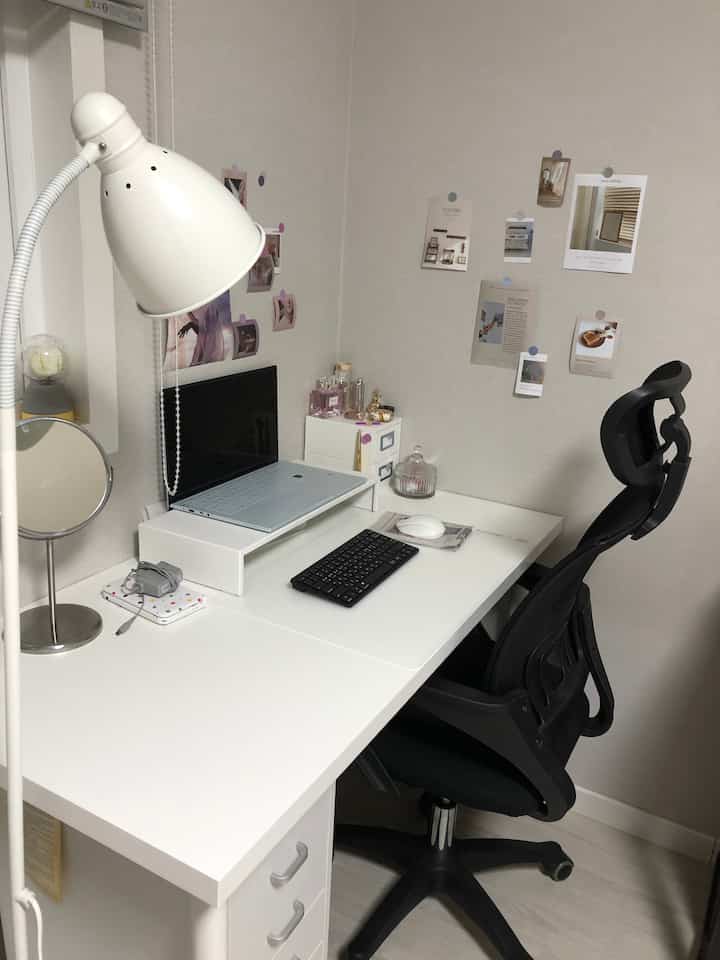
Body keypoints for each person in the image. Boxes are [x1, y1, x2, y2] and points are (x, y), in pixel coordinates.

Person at [177, 294, 233, 365]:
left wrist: (190, 322)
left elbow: (203, 330)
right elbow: (202, 330)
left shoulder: (213, 330)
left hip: (210, 358)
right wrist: (190, 322)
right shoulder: (209, 327)